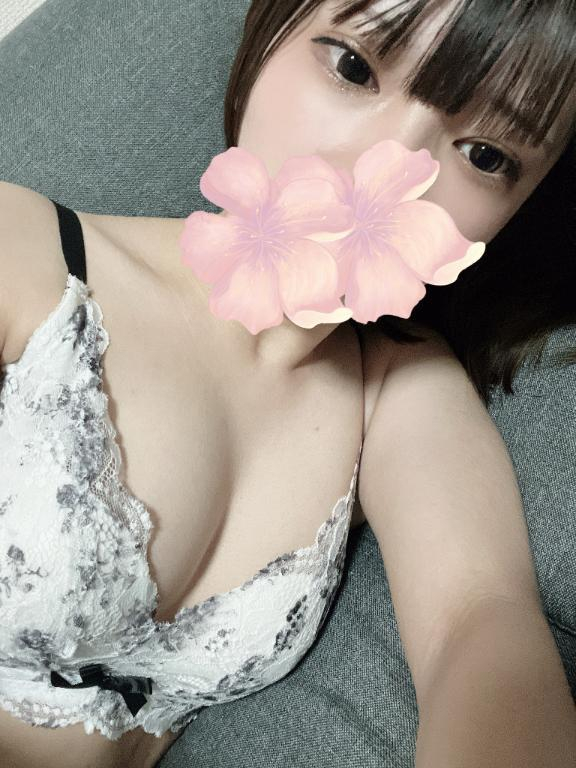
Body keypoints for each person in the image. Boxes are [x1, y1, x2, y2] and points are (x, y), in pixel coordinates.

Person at [0, 1, 574, 767]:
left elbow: (481, 633)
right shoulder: (20, 253)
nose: (386, 172)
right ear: (267, 34)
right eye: (353, 67)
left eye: (485, 154)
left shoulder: (398, 388)